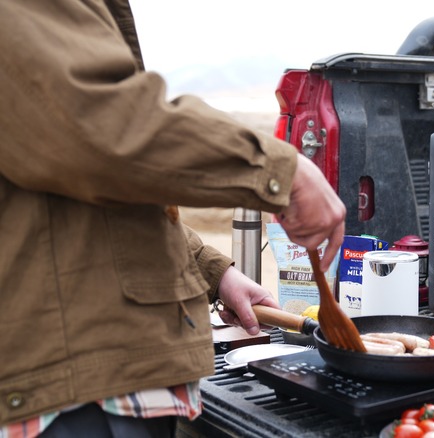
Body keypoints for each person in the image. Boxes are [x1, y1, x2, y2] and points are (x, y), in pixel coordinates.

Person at [0, 1, 345, 436]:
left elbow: (93, 197)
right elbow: (96, 128)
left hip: (94, 375)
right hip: (76, 385)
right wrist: (280, 171)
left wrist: (211, 271)